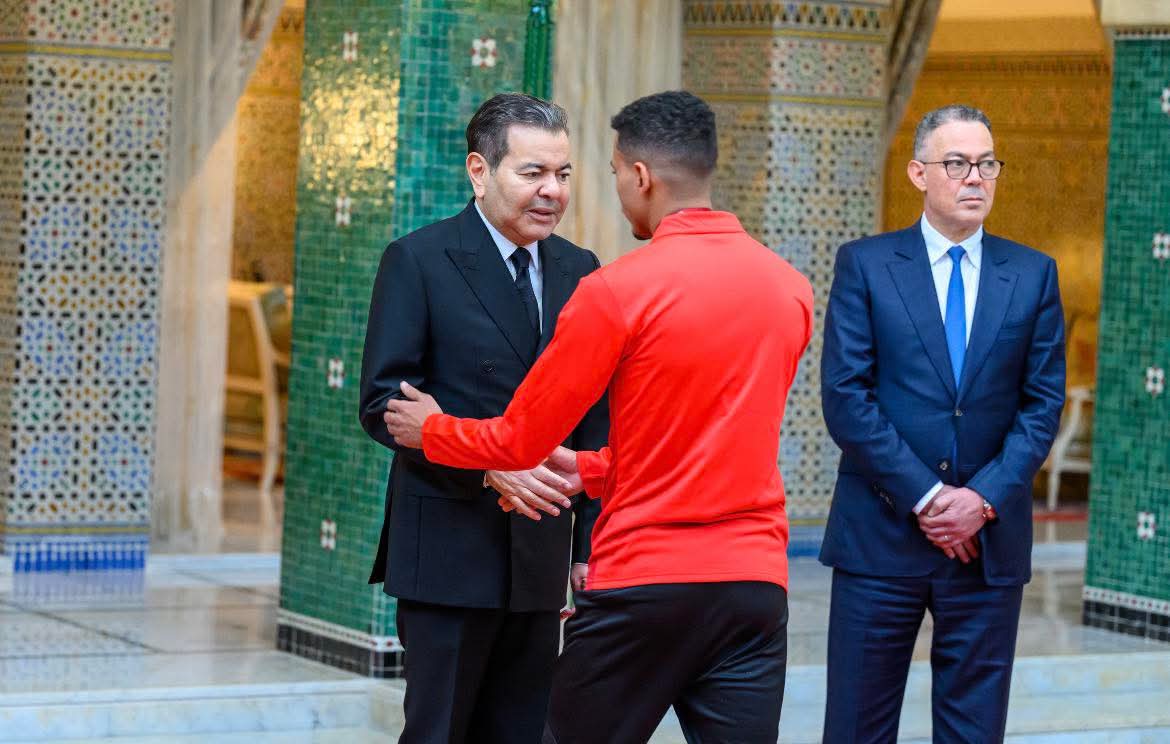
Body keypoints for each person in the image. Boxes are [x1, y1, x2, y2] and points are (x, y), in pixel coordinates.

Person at [385, 90, 814, 744]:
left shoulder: (612, 287)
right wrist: (588, 471)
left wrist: (433, 430)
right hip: (754, 586)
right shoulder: (791, 287)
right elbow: (705, 446)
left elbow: (520, 439)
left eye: (600, 173)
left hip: (644, 579)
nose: (564, 190)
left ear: (641, 176)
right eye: (536, 172)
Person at [357, 92, 608, 744]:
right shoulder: (419, 259)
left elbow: (594, 422)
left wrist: (589, 548)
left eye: (563, 174)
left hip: (540, 547)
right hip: (448, 548)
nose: (553, 191)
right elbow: (384, 404)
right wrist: (489, 466)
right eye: (533, 173)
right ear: (479, 170)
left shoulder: (581, 270)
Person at [818, 104, 1066, 742]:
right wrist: (930, 498)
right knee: (856, 727)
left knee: (973, 731)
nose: (975, 177)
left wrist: (979, 500)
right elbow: (846, 398)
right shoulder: (866, 264)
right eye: (957, 164)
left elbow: (1042, 405)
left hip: (987, 547)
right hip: (880, 537)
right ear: (918, 173)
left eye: (987, 164)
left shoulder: (1033, 274)